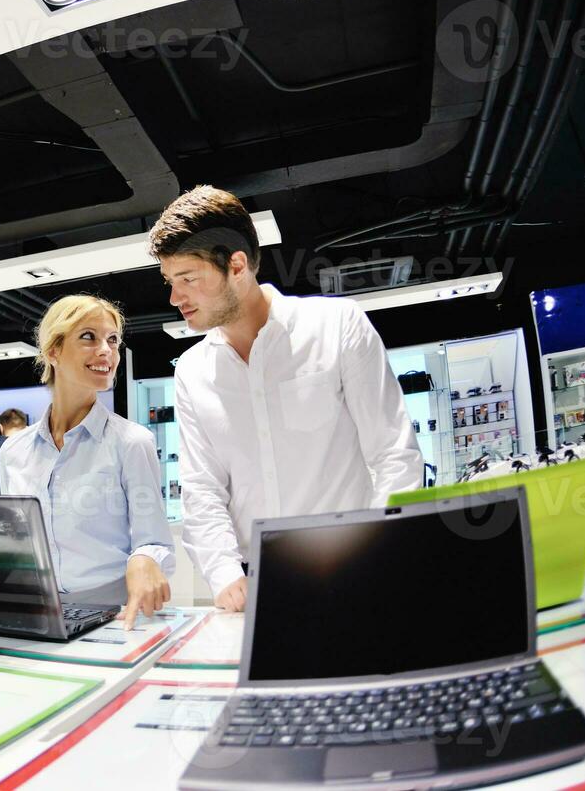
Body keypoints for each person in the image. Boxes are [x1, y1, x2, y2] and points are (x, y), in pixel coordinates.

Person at [149, 186, 424, 612]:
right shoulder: (192, 370)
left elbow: (393, 454)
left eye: (187, 279)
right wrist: (224, 575)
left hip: (353, 563)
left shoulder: (336, 326)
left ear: (236, 265)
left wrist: (380, 553)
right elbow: (202, 489)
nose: (174, 298)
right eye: (170, 282)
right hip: (252, 580)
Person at [0, 295, 174, 629]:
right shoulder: (13, 452)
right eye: (88, 337)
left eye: (112, 340)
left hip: (116, 616)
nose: (106, 351)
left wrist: (145, 558)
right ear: (53, 351)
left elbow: (155, 541)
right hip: (37, 612)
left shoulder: (131, 443)